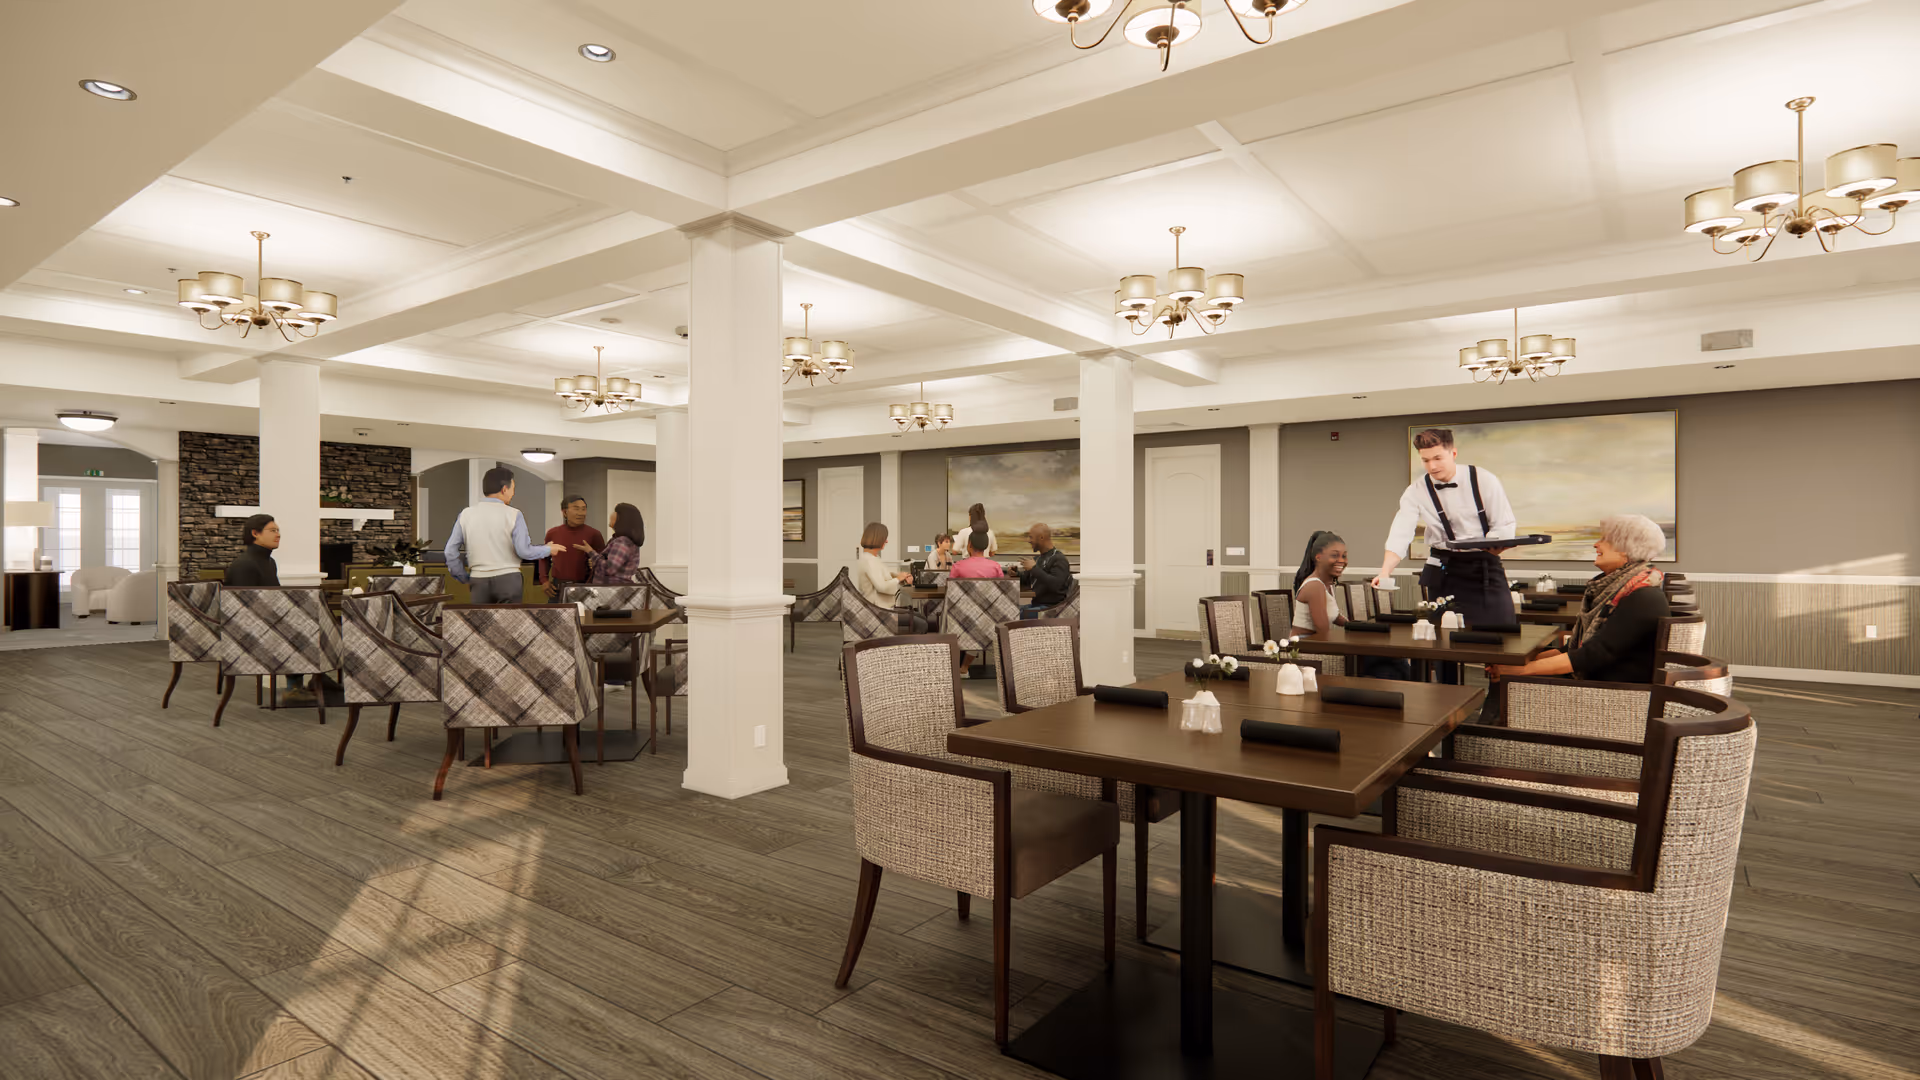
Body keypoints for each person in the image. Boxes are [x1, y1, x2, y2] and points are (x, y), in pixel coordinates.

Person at [1369, 427, 1517, 680]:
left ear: (1453, 453)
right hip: (1444, 569)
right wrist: (1385, 571)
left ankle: (1498, 699)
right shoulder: (1416, 491)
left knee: (1502, 637)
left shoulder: (1484, 479)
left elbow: (1504, 524)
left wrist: (1495, 544)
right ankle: (1446, 701)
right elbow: (1400, 532)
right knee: (1442, 644)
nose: (1432, 466)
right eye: (1426, 460)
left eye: (1438, 458)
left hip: (1484, 566)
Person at [1486, 514, 1671, 685]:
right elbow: (1575, 650)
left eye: (1604, 539)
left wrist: (1518, 670)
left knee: (1508, 681)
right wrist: (1523, 662)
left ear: (1626, 549)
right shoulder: (1623, 589)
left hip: (1615, 691)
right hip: (1600, 677)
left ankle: (1488, 722)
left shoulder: (1643, 596)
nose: (1596, 545)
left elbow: (1594, 654)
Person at [223, 513, 317, 706]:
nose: (278, 535)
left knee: (315, 623)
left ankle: (313, 681)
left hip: (269, 624)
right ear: (255, 534)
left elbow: (275, 599)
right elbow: (245, 611)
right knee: (303, 629)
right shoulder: (244, 565)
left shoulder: (269, 562)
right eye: (273, 530)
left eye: (278, 531)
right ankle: (295, 688)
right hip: (249, 632)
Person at [1293, 530, 1409, 681]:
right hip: (1309, 647)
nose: (1341, 560)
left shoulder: (1326, 584)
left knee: (1392, 663)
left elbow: (1337, 617)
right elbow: (1323, 633)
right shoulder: (1315, 587)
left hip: (1321, 643)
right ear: (1319, 557)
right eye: (1334, 555)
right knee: (1392, 662)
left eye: (1344, 556)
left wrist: (1362, 628)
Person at [444, 467, 566, 605]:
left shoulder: (466, 514)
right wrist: (548, 549)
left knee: (480, 625)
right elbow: (524, 551)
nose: (513, 494)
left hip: (478, 580)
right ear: (504, 489)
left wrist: (464, 577)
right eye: (512, 488)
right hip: (509, 579)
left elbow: (450, 551)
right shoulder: (514, 514)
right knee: (508, 625)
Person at [854, 522, 928, 632]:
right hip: (880, 611)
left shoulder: (871, 558)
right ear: (877, 538)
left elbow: (884, 574)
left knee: (920, 617)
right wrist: (898, 579)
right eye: (885, 538)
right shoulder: (870, 561)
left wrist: (899, 576)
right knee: (922, 624)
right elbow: (882, 587)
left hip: (882, 608)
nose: (887, 541)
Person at [540, 494, 605, 597]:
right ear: (565, 512)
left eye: (583, 509)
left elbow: (604, 561)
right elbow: (544, 558)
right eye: (576, 509)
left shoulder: (594, 534)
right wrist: (544, 580)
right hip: (559, 587)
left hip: (586, 587)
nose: (581, 513)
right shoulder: (552, 533)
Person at [1017, 523, 1072, 617]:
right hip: (1036, 605)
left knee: (1022, 614)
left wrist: (1034, 568)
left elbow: (1056, 585)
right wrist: (1016, 573)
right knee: (1014, 611)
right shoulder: (1038, 559)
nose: (1029, 541)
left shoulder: (1059, 559)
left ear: (1041, 537)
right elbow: (1030, 579)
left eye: (1031, 537)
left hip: (1050, 608)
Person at [588, 503, 646, 585]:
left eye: (615, 513)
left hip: (610, 591)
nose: (611, 515)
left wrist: (591, 552)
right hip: (615, 590)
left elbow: (609, 568)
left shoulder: (622, 542)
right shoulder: (622, 540)